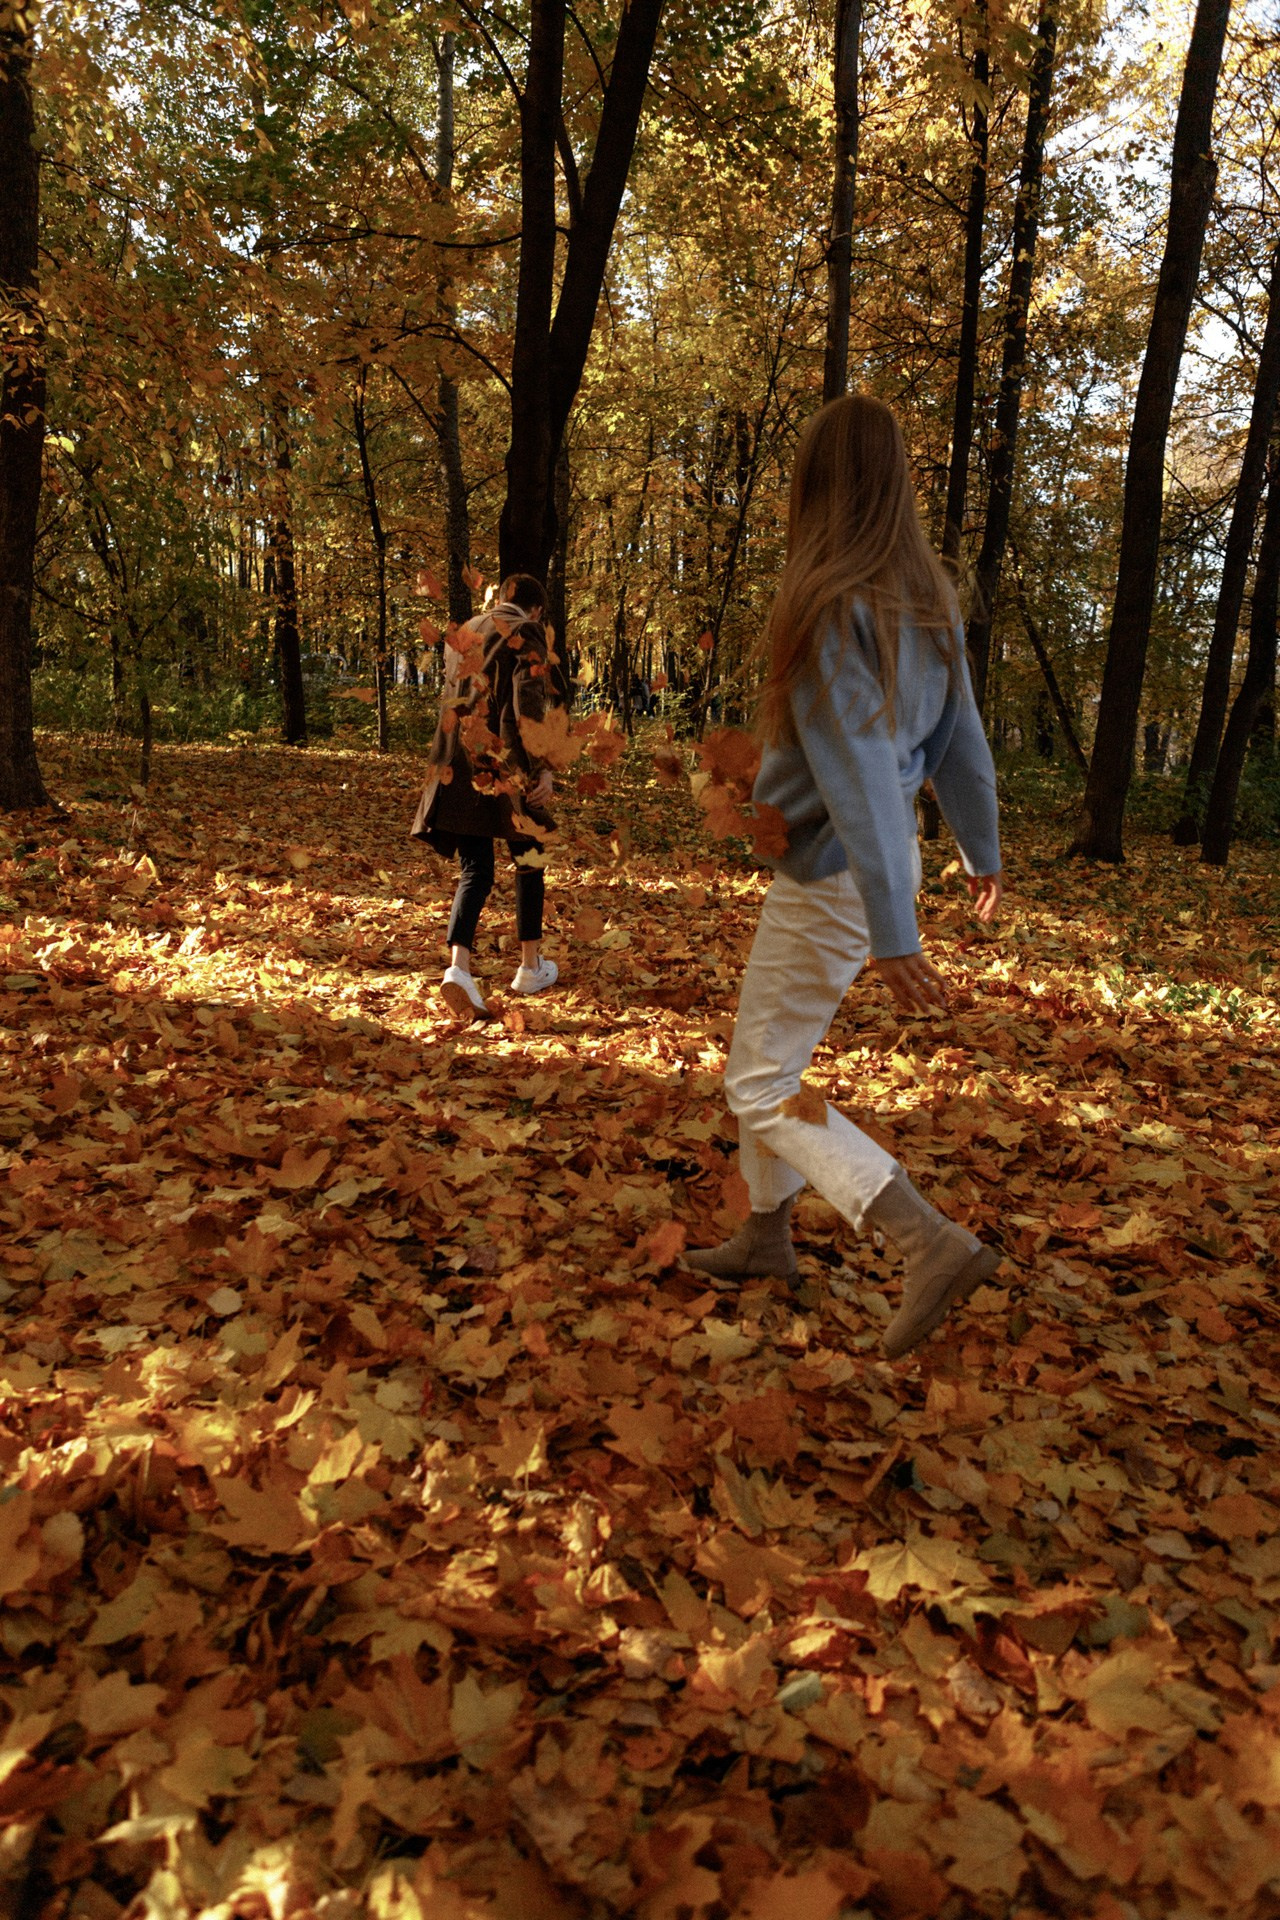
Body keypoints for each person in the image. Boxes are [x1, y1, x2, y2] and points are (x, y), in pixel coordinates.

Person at [685, 394, 1005, 1360]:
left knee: (758, 1080)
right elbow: (962, 744)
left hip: (842, 868)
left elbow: (864, 770)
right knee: (768, 1052)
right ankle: (765, 1236)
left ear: (814, 485)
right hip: (869, 861)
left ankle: (926, 1240)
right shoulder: (924, 598)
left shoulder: (829, 603)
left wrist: (896, 925)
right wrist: (980, 848)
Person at [410, 573, 562, 1020]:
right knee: (530, 852)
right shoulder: (526, 631)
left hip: (456, 761)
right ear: (535, 611)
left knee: (476, 867)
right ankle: (531, 966)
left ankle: (458, 969)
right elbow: (525, 707)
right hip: (501, 764)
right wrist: (539, 770)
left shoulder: (468, 630)